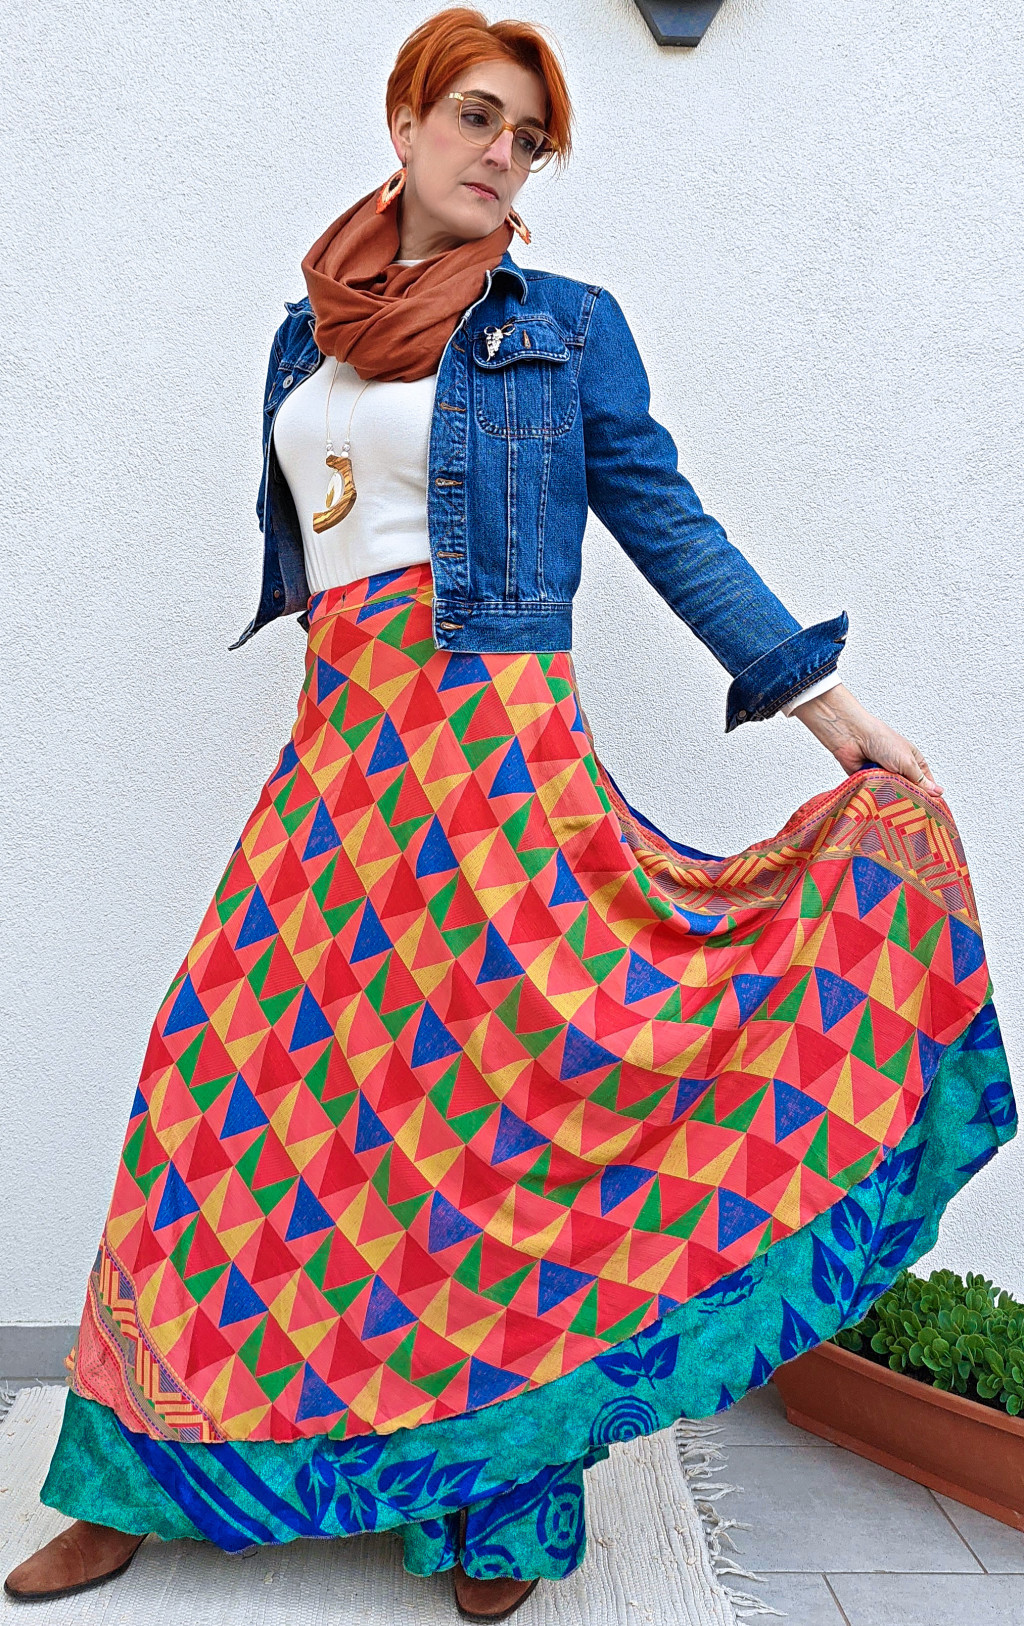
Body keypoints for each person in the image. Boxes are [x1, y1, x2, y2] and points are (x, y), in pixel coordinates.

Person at [7, 8, 1014, 1621]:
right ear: (404, 122)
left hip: (496, 768)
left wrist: (827, 707)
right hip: (340, 764)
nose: (502, 155)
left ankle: (501, 1506)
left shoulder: (565, 329)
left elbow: (665, 519)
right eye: (477, 117)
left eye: (529, 138)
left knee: (499, 1127)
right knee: (219, 1097)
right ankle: (129, 1479)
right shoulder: (306, 335)